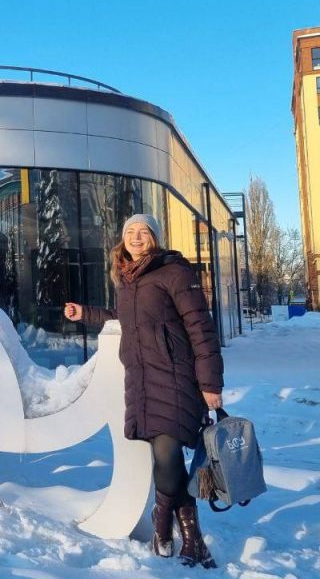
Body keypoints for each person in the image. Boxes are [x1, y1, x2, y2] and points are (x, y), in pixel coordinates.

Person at [63, 214, 223, 569]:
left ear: (155, 238)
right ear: (123, 240)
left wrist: (211, 383)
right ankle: (187, 539)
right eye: (130, 232)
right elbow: (125, 316)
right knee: (163, 458)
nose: (136, 237)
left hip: (175, 376)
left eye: (144, 232)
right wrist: (85, 313)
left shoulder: (174, 272)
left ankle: (166, 523)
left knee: (166, 455)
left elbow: (201, 328)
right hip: (141, 380)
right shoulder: (127, 279)